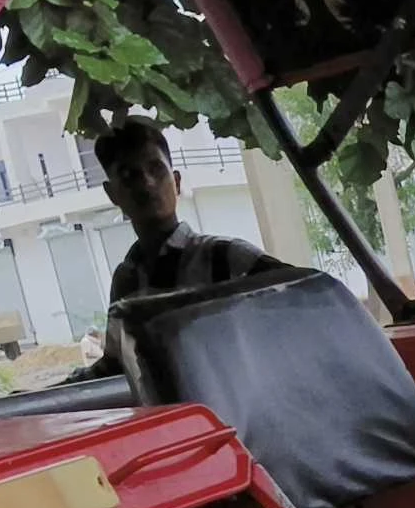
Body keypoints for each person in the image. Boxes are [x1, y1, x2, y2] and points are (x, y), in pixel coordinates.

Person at [70, 120, 274, 378]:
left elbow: (308, 296)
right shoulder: (126, 280)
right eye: (129, 175)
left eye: (156, 169)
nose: (147, 183)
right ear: (113, 195)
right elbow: (117, 364)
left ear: (176, 181)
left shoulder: (227, 258)